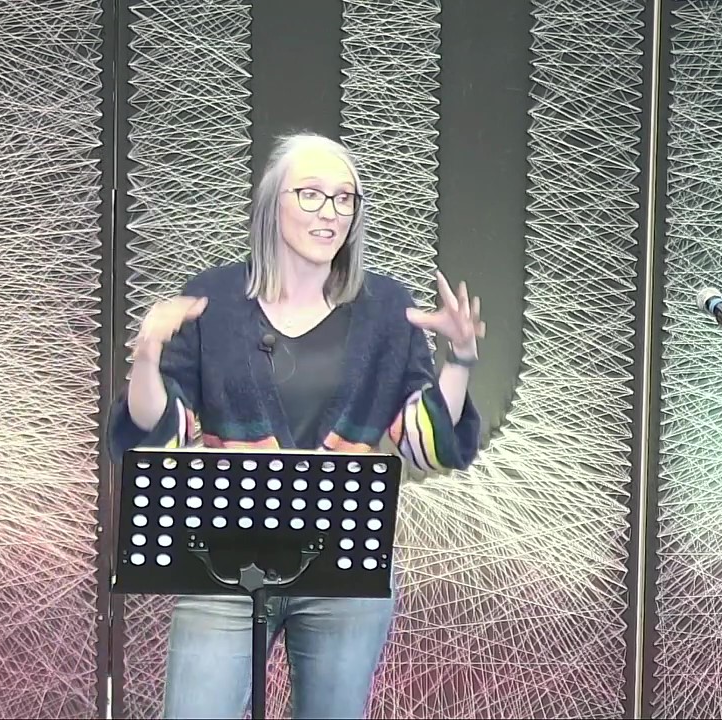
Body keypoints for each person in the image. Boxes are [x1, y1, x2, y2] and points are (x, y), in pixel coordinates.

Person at [107, 132, 484, 719]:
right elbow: (161, 434)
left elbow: (423, 445)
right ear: (271, 204)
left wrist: (458, 360)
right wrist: (148, 358)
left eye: (344, 198)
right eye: (310, 194)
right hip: (223, 561)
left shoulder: (386, 308)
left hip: (341, 570)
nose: (329, 211)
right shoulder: (214, 299)